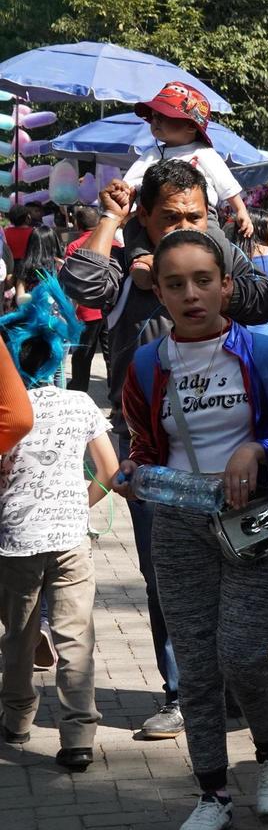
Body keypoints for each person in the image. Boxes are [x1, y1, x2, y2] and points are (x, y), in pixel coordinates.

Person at [59, 161, 268, 741]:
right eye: (170, 218)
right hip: (153, 456)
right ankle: (183, 691)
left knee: (242, 571)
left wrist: (204, 264)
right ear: (145, 218)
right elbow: (82, 283)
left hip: (235, 455)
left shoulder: (220, 260)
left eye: (194, 215)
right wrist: (111, 220)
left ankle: (239, 686)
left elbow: (260, 299)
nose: (184, 225)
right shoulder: (126, 269)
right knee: (166, 579)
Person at [115, 229, 268, 830]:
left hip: (255, 519)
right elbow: (147, 444)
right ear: (160, 291)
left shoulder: (261, 353)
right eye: (174, 284)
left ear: (227, 285)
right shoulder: (148, 363)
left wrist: (256, 449)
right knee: (197, 665)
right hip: (178, 524)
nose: (190, 294)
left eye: (203, 280)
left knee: (241, 652)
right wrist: (131, 471)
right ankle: (211, 791)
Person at [0, 277, 117, 771]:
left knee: (18, 636)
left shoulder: (8, 413)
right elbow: (111, 473)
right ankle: (77, 737)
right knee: (75, 637)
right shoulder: (81, 404)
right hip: (71, 537)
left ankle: (18, 719)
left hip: (17, 541)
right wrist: (78, 501)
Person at [123, 81, 252, 287]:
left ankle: (220, 269)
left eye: (164, 116)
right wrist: (124, 195)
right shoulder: (151, 154)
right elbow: (130, 183)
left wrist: (241, 210)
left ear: (192, 125)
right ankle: (143, 262)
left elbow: (226, 183)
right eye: (154, 116)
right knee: (132, 228)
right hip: (156, 214)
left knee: (216, 237)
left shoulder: (204, 153)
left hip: (200, 213)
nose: (155, 121)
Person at [63, 207, 108, 394]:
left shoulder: (74, 247)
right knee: (112, 354)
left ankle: (79, 395)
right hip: (112, 309)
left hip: (86, 311)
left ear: (78, 225)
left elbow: (70, 282)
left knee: (82, 355)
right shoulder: (114, 243)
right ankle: (117, 400)